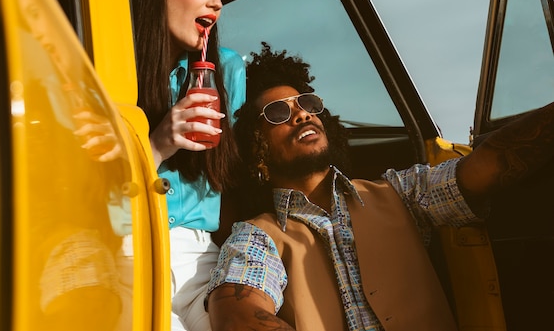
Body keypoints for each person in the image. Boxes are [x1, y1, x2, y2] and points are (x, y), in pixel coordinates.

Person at [205, 43, 554, 331]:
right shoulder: (256, 237)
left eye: (308, 104)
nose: (302, 115)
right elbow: (237, 314)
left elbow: (488, 168)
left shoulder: (399, 192)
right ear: (254, 148)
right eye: (278, 113)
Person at [110, 0, 245, 331]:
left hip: (200, 255)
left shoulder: (227, 68)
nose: (216, 1)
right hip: (124, 244)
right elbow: (86, 191)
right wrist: (156, 144)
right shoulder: (110, 68)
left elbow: (231, 185)